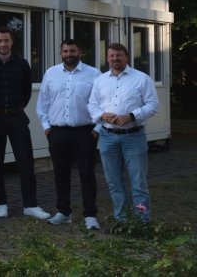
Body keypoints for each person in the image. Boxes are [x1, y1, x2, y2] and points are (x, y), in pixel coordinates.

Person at [0, 27, 50, 220]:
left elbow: (26, 92)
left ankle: (30, 204)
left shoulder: (22, 64)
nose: (3, 44)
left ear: (12, 42)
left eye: (6, 40)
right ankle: (1, 204)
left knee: (26, 161)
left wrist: (15, 107)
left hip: (17, 116)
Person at [88, 43, 159, 224]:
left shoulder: (141, 79)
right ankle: (121, 220)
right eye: (112, 56)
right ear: (107, 58)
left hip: (133, 136)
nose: (115, 58)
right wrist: (101, 115)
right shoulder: (100, 80)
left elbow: (153, 105)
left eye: (119, 55)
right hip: (107, 137)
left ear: (126, 57)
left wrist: (132, 116)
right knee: (114, 182)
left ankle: (142, 221)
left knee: (138, 181)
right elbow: (92, 105)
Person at [37, 39, 102, 230]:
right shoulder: (51, 73)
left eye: (72, 51)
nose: (68, 54)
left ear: (80, 52)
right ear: (61, 53)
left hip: (85, 132)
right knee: (60, 174)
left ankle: (90, 215)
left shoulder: (94, 74)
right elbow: (43, 103)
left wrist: (97, 130)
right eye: (65, 51)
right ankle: (64, 212)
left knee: (87, 174)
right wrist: (47, 128)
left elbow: (103, 103)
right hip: (57, 132)